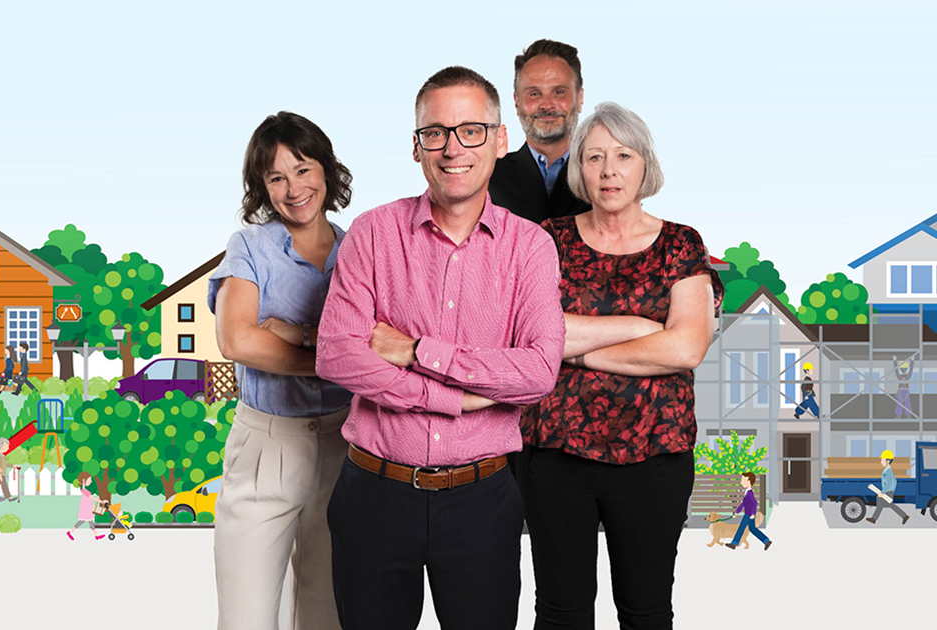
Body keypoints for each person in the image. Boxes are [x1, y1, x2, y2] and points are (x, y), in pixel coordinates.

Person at [316, 66, 564, 630]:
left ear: (501, 141)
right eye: (436, 132)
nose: (453, 148)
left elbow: (538, 372)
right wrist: (459, 397)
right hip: (372, 494)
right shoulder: (372, 234)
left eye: (472, 130)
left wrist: (417, 351)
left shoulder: (530, 248)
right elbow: (336, 355)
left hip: (481, 500)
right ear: (416, 146)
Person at [518, 102, 723, 628]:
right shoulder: (547, 239)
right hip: (557, 452)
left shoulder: (681, 243)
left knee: (646, 610)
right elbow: (530, 336)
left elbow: (686, 348)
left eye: (623, 155)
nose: (609, 169)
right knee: (561, 611)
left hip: (654, 455)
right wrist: (639, 328)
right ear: (579, 170)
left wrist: (577, 350)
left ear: (644, 165)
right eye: (594, 157)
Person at [209, 111, 354, 630]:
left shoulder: (360, 247)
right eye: (276, 177)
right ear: (261, 187)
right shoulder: (249, 247)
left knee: (328, 614)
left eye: (303, 169)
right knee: (246, 617)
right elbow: (237, 339)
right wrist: (332, 360)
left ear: (326, 170)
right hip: (266, 445)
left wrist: (295, 332)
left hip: (345, 442)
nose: (293, 189)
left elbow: (378, 341)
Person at [489, 39, 591, 225]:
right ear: (517, 101)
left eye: (559, 92)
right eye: (534, 94)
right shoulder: (487, 175)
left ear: (580, 98)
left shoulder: (604, 174)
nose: (547, 105)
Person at [725, 472, 771, 551]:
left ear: (748, 481)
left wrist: (753, 514)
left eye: (743, 480)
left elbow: (755, 503)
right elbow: (743, 504)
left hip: (748, 514)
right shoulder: (747, 492)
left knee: (741, 528)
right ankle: (766, 541)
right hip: (748, 514)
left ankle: (734, 543)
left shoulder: (750, 493)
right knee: (752, 529)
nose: (741, 482)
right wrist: (736, 512)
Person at [867, 449, 909, 525]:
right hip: (888, 491)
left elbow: (889, 484)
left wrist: (883, 492)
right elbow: (895, 482)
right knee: (881, 505)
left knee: (890, 505)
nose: (880, 462)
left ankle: (904, 516)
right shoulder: (887, 470)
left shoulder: (887, 472)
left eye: (882, 460)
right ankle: (874, 519)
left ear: (888, 461)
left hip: (887, 492)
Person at [66, 471, 106, 541]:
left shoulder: (84, 489)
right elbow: (91, 497)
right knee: (83, 521)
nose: (91, 481)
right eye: (89, 480)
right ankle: (70, 532)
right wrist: (101, 501)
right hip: (86, 508)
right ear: (84, 480)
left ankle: (96, 535)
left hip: (88, 507)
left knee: (89, 521)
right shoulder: (83, 490)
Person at [0, 437, 18, 502]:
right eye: (6, 446)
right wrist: (0, 475)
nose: (8, 448)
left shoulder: (2, 456)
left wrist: (12, 466)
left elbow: (5, 464)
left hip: (0, 473)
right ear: (1, 447)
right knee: (4, 484)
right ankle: (9, 497)